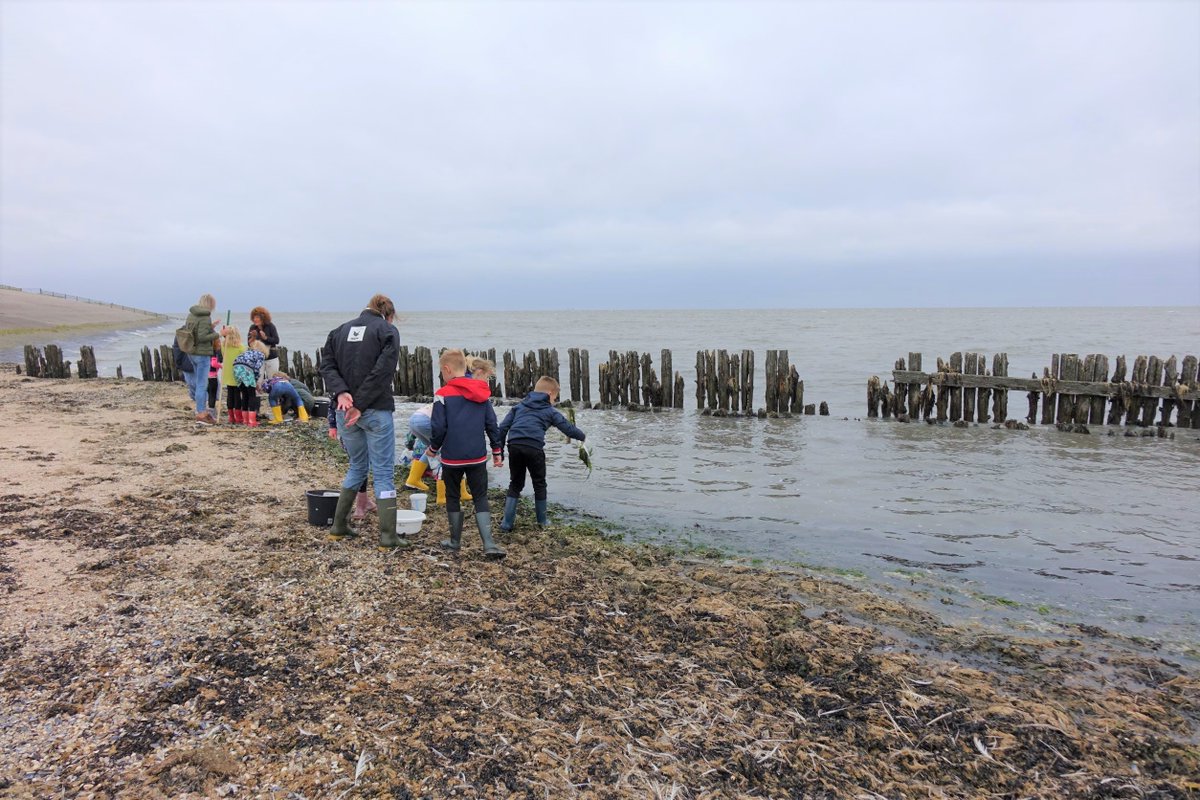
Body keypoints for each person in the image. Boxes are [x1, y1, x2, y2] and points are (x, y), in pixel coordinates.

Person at [319, 294, 402, 550]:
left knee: (357, 466)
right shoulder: (388, 331)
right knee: (384, 472)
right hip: (374, 409)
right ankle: (387, 536)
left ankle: (339, 526)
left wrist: (342, 393)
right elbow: (382, 372)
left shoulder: (339, 331)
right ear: (388, 314)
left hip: (344, 410)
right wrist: (360, 404)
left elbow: (327, 366)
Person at [429, 349, 505, 559]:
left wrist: (433, 449)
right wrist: (497, 450)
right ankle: (489, 544)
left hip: (452, 458)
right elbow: (491, 424)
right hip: (477, 456)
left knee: (453, 497)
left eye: (441, 373)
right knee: (480, 496)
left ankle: (454, 542)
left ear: (447, 369)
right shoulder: (482, 391)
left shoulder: (442, 394)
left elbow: (439, 428)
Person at [497, 375, 587, 532]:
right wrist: (583, 437)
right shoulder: (549, 411)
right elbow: (567, 428)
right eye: (555, 398)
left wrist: (499, 450)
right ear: (550, 394)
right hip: (534, 448)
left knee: (515, 483)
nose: (554, 401)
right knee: (539, 483)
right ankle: (542, 522)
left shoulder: (518, 407)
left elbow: (503, 428)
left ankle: (506, 523)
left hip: (515, 446)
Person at [326, 398, 376, 522]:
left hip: (367, 421)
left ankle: (365, 500)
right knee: (359, 465)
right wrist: (332, 426)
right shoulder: (343, 385)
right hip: (348, 424)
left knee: (364, 464)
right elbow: (332, 401)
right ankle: (360, 505)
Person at [181, 294, 221, 425]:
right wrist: (220, 334)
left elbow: (195, 333)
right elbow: (203, 337)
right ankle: (201, 413)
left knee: (199, 383)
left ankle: (200, 410)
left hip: (191, 352)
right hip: (202, 353)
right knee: (202, 384)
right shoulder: (205, 316)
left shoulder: (191, 315)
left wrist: (211, 327)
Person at [232, 340, 269, 427]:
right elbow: (256, 369)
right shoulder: (260, 354)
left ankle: (245, 420)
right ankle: (252, 421)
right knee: (252, 395)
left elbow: (236, 361)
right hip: (246, 370)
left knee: (244, 395)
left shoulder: (247, 352)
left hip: (236, 368)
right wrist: (255, 381)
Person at [220, 326, 247, 424]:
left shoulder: (224, 346)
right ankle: (238, 417)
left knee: (230, 394)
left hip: (227, 371)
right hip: (237, 372)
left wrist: (223, 335)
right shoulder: (241, 347)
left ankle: (231, 417)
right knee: (237, 395)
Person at [248, 306, 281, 379]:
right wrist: (253, 337)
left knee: (272, 379)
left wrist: (265, 338)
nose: (255, 319)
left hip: (271, 357)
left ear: (263, 317)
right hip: (258, 358)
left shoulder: (270, 326)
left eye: (257, 317)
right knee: (258, 380)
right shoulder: (252, 327)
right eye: (254, 317)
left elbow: (276, 340)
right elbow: (249, 343)